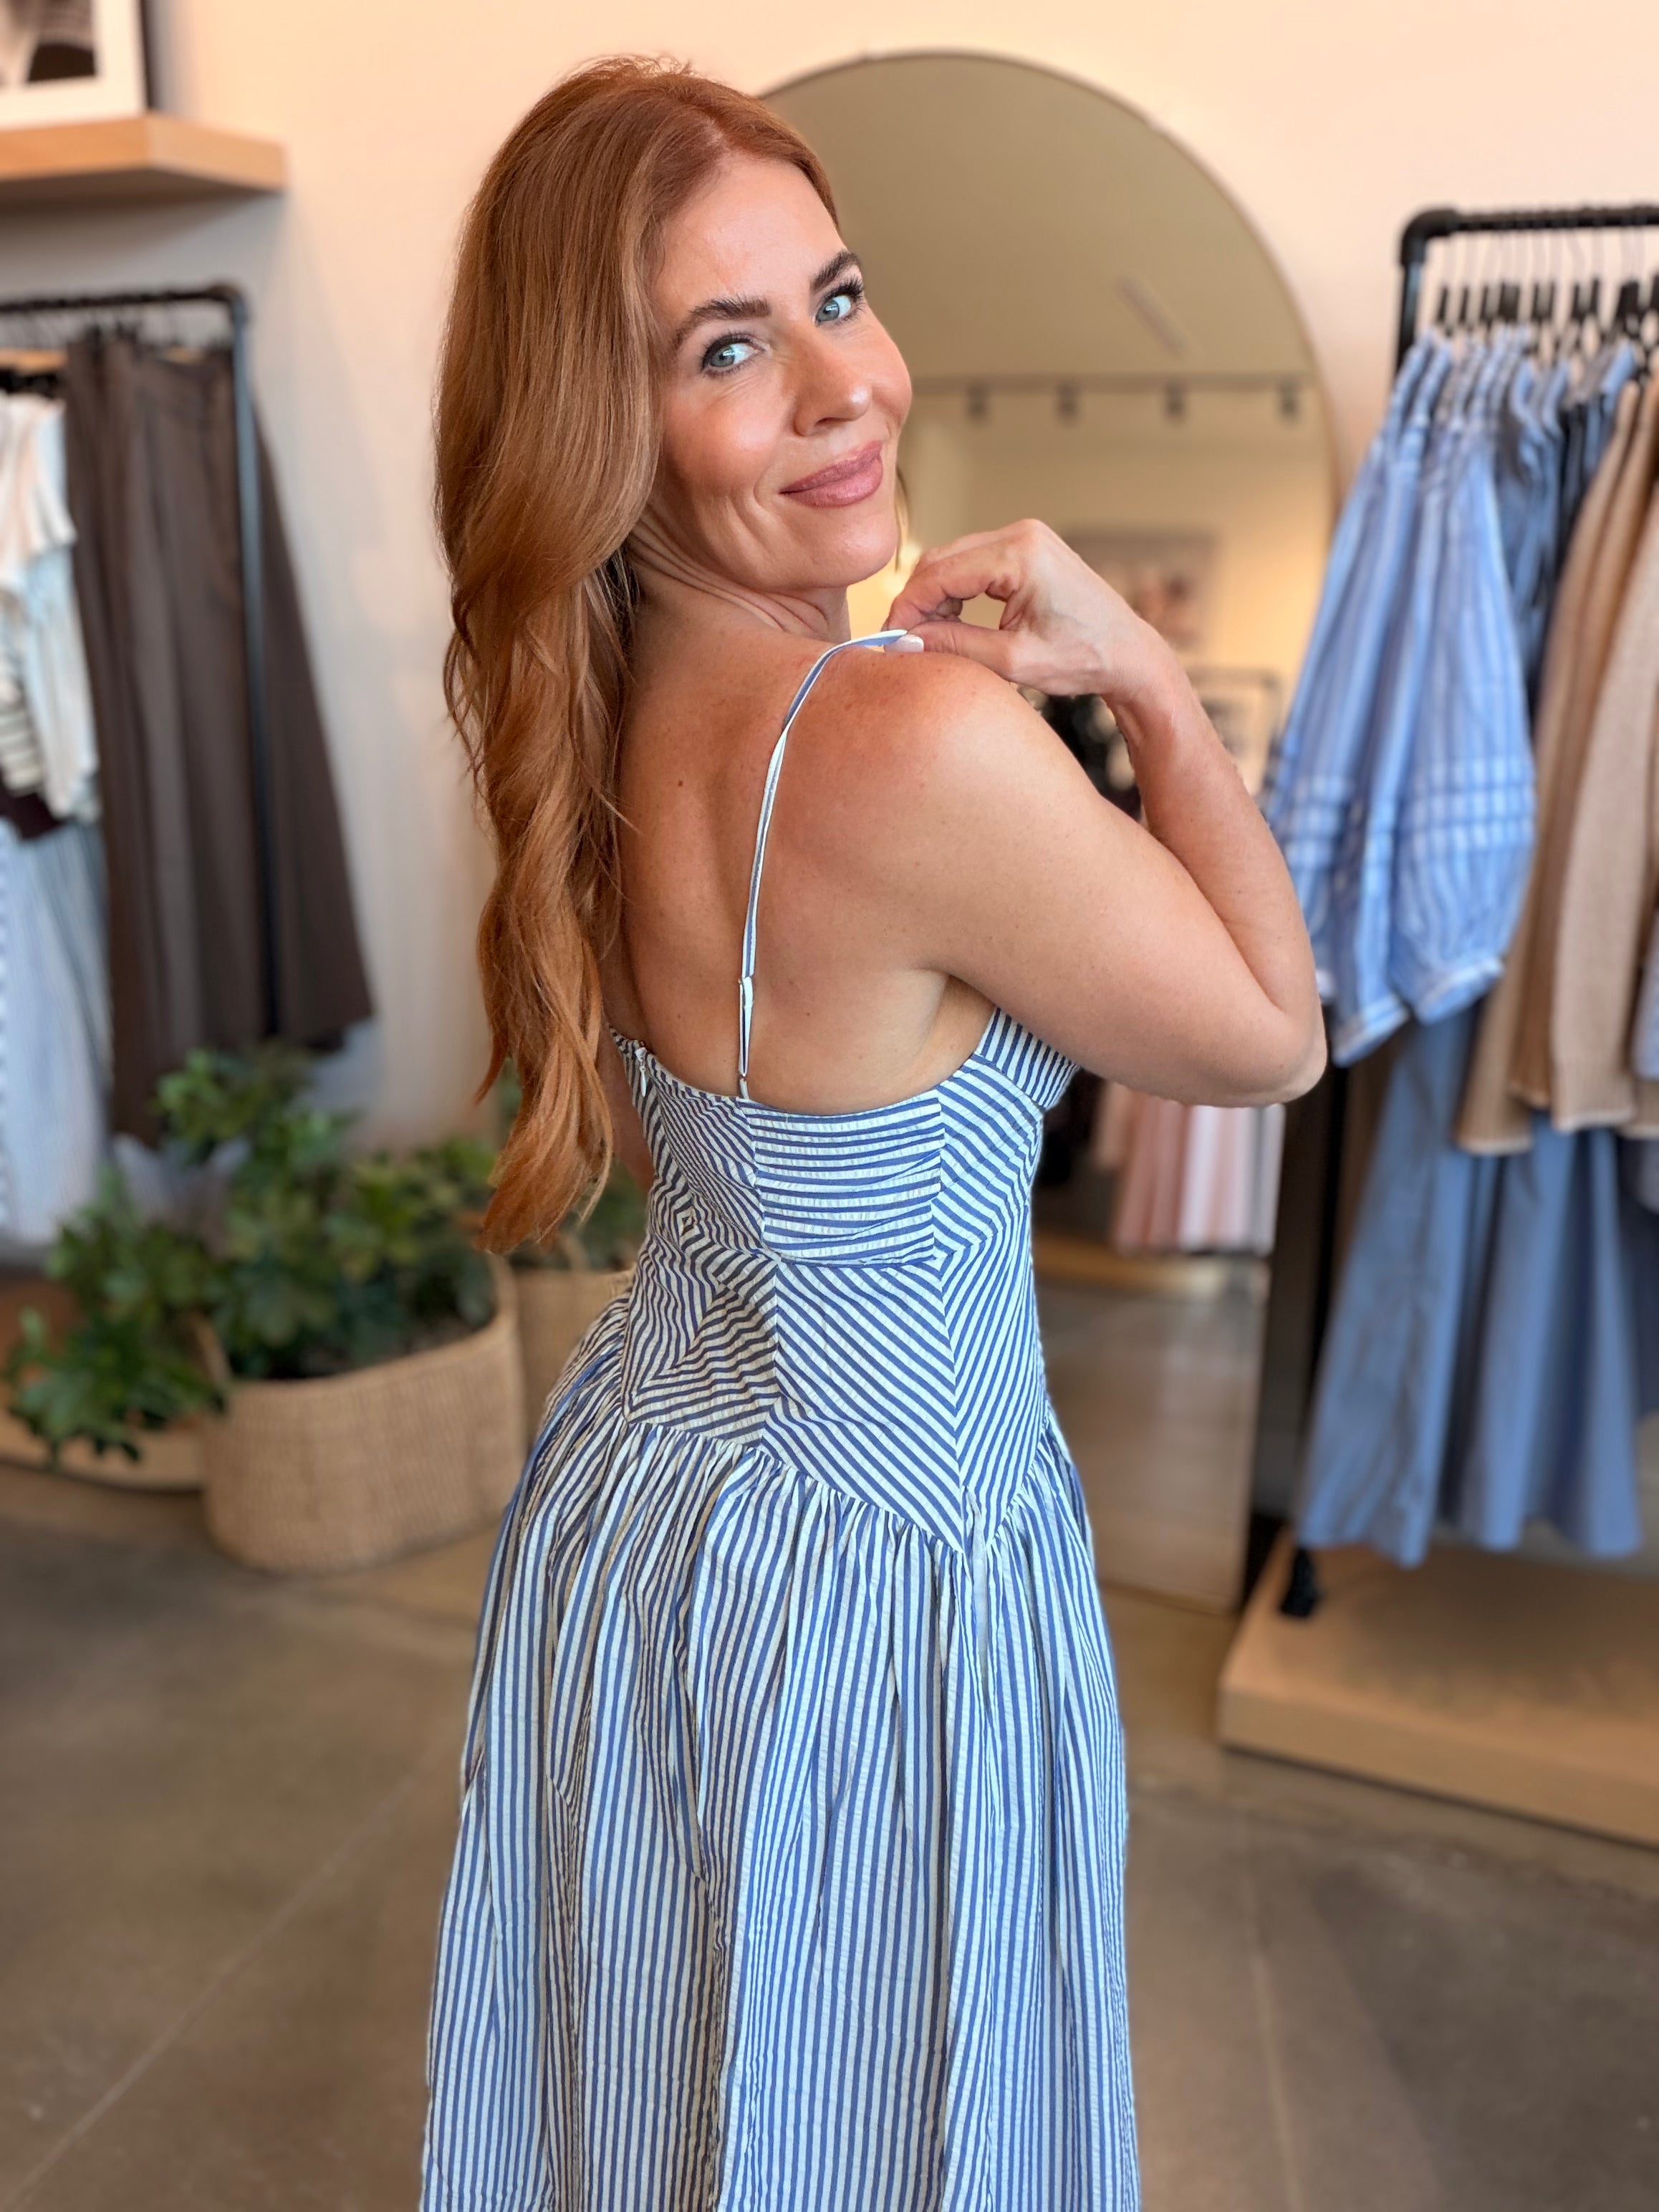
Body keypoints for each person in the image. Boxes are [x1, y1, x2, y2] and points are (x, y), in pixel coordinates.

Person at [423, 55, 1323, 2212]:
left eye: (838, 296)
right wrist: (1139, 680)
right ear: (608, 430)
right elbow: (1270, 1035)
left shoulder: (600, 715)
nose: (845, 389)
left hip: (651, 1516)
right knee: (871, 2124)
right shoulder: (903, 743)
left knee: (666, 2097)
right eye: (728, 350)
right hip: (881, 1587)